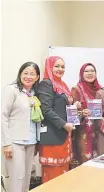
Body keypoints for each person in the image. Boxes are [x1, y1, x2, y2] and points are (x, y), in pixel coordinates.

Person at [2, 62, 42, 191]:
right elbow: (3, 116)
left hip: (30, 141)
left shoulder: (34, 94)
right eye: (25, 73)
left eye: (32, 74)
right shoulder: (12, 90)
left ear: (37, 77)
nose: (28, 76)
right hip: (15, 142)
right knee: (16, 179)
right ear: (20, 74)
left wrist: (36, 141)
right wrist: (6, 143)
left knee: (26, 178)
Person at [37, 56, 75, 183]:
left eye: (62, 66)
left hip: (63, 135)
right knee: (53, 175)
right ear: (49, 67)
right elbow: (46, 110)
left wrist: (74, 106)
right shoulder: (46, 84)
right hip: (53, 136)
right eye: (57, 66)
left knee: (63, 174)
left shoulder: (62, 84)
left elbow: (60, 107)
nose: (60, 69)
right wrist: (64, 125)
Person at [71, 63, 102, 164]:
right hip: (83, 134)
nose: (90, 73)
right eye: (86, 71)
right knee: (85, 163)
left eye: (92, 71)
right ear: (81, 74)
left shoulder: (100, 90)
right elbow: (71, 115)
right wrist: (81, 113)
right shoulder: (76, 89)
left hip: (99, 133)